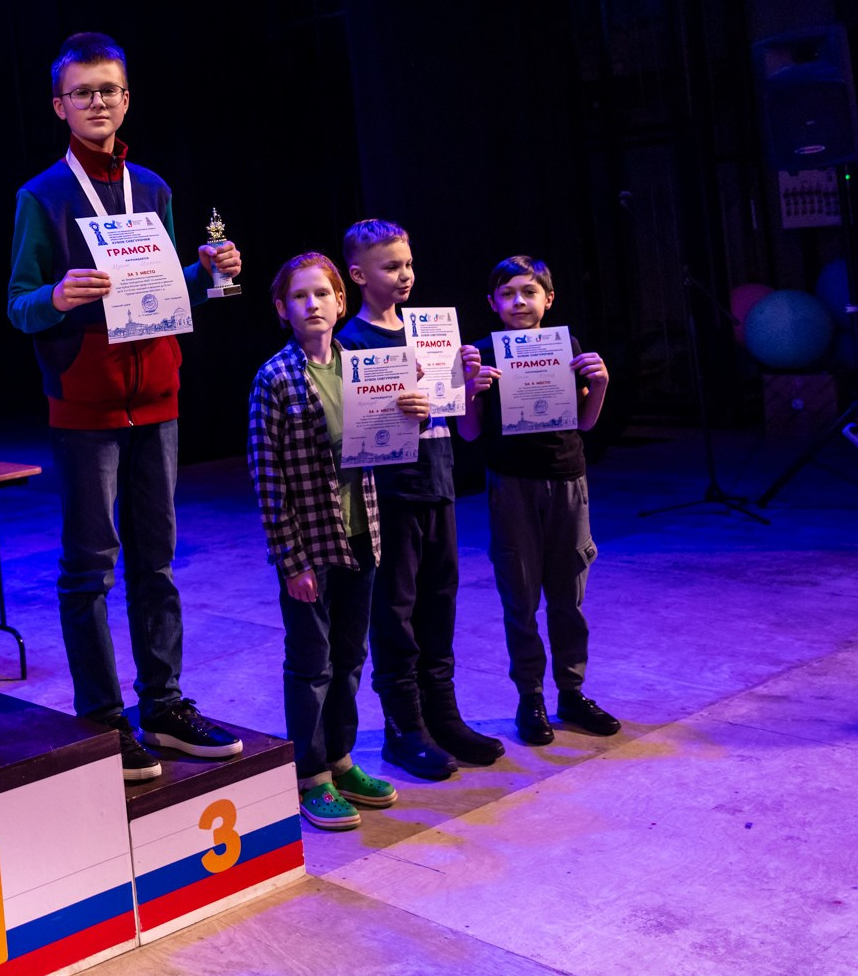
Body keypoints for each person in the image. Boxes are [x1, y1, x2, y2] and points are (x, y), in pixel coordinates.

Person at [5, 32, 246, 782]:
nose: (98, 103)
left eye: (109, 90)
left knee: (158, 563)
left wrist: (207, 274)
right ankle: (104, 717)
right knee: (90, 566)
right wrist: (55, 296)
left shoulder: (155, 189)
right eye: (83, 93)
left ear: (127, 97)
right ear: (60, 106)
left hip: (159, 399)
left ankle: (164, 705)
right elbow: (18, 304)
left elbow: (161, 290)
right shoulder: (41, 196)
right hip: (88, 402)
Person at [247, 252, 429, 830]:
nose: (312, 305)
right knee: (311, 664)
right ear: (282, 308)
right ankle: (311, 774)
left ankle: (342, 759)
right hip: (310, 547)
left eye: (322, 294)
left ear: (340, 301)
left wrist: (416, 413)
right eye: (299, 297)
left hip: (362, 536)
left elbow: (390, 442)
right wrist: (290, 560)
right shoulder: (274, 378)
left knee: (351, 658)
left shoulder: (363, 366)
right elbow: (267, 478)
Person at [335, 220, 505, 778]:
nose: (405, 274)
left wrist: (467, 386)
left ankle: (444, 717)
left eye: (408, 263)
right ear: (359, 275)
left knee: (441, 603)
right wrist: (395, 410)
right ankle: (403, 729)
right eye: (391, 266)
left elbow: (452, 415)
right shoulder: (350, 342)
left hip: (438, 483)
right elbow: (347, 431)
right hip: (388, 497)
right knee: (396, 613)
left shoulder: (430, 332)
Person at [457, 255, 617, 746]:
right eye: (508, 294)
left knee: (569, 596)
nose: (519, 302)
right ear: (492, 303)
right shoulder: (482, 353)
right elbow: (468, 433)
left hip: (568, 479)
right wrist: (469, 390)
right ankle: (530, 698)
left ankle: (571, 692)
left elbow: (586, 423)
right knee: (520, 598)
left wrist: (602, 384)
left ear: (549, 298)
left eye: (529, 292)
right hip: (511, 486)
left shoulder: (566, 346)